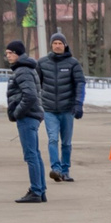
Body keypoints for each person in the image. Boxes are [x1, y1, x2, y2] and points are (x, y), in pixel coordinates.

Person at [39, 31, 87, 183]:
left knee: (66, 142)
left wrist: (78, 103)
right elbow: (36, 84)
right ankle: (56, 169)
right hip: (49, 109)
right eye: (55, 43)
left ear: (65, 45)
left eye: (60, 43)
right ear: (51, 45)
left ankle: (65, 170)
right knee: (53, 139)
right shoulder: (42, 63)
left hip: (67, 109)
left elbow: (80, 83)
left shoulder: (73, 63)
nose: (57, 46)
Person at [4, 40, 47, 203]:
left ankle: (36, 190)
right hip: (31, 115)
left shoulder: (22, 70)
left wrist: (17, 112)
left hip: (28, 116)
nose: (8, 56)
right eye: (7, 53)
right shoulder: (26, 68)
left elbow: (29, 95)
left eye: (10, 53)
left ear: (18, 53)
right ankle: (40, 190)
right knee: (35, 153)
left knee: (31, 155)